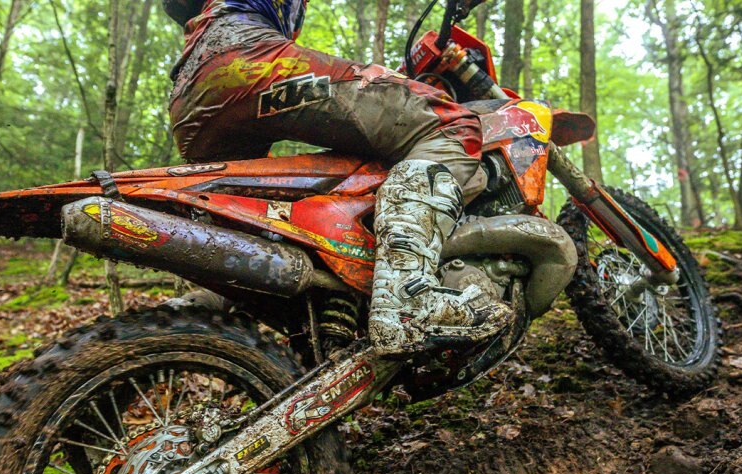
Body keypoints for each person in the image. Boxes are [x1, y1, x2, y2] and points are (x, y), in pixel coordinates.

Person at [164, 0, 511, 355]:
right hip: (247, 58)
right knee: (451, 124)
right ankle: (407, 299)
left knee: (253, 225)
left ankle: (188, 319)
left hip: (189, 93)